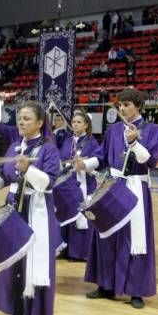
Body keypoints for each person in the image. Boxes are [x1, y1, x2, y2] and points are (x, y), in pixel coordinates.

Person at [0, 101, 60, 315]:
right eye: (20, 118)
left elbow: (49, 183)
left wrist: (27, 169)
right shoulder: (14, 147)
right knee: (12, 260)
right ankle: (15, 310)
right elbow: (3, 180)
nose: (21, 122)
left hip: (35, 208)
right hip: (13, 209)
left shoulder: (48, 149)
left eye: (27, 118)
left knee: (31, 261)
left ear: (40, 123)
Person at [83, 88, 158, 308]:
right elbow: (101, 157)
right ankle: (105, 285)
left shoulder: (153, 130)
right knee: (107, 234)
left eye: (127, 104)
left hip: (136, 186)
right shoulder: (113, 130)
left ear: (138, 106)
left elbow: (151, 161)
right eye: (120, 105)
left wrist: (135, 142)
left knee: (133, 239)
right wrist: (85, 164)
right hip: (113, 185)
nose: (122, 108)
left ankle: (135, 291)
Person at [57, 111, 100, 261]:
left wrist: (84, 164)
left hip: (85, 183)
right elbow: (62, 159)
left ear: (86, 125)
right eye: (74, 122)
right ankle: (64, 248)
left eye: (79, 122)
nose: (75, 124)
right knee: (68, 213)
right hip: (68, 183)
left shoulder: (92, 142)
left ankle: (80, 252)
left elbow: (97, 162)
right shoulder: (68, 141)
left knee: (82, 215)